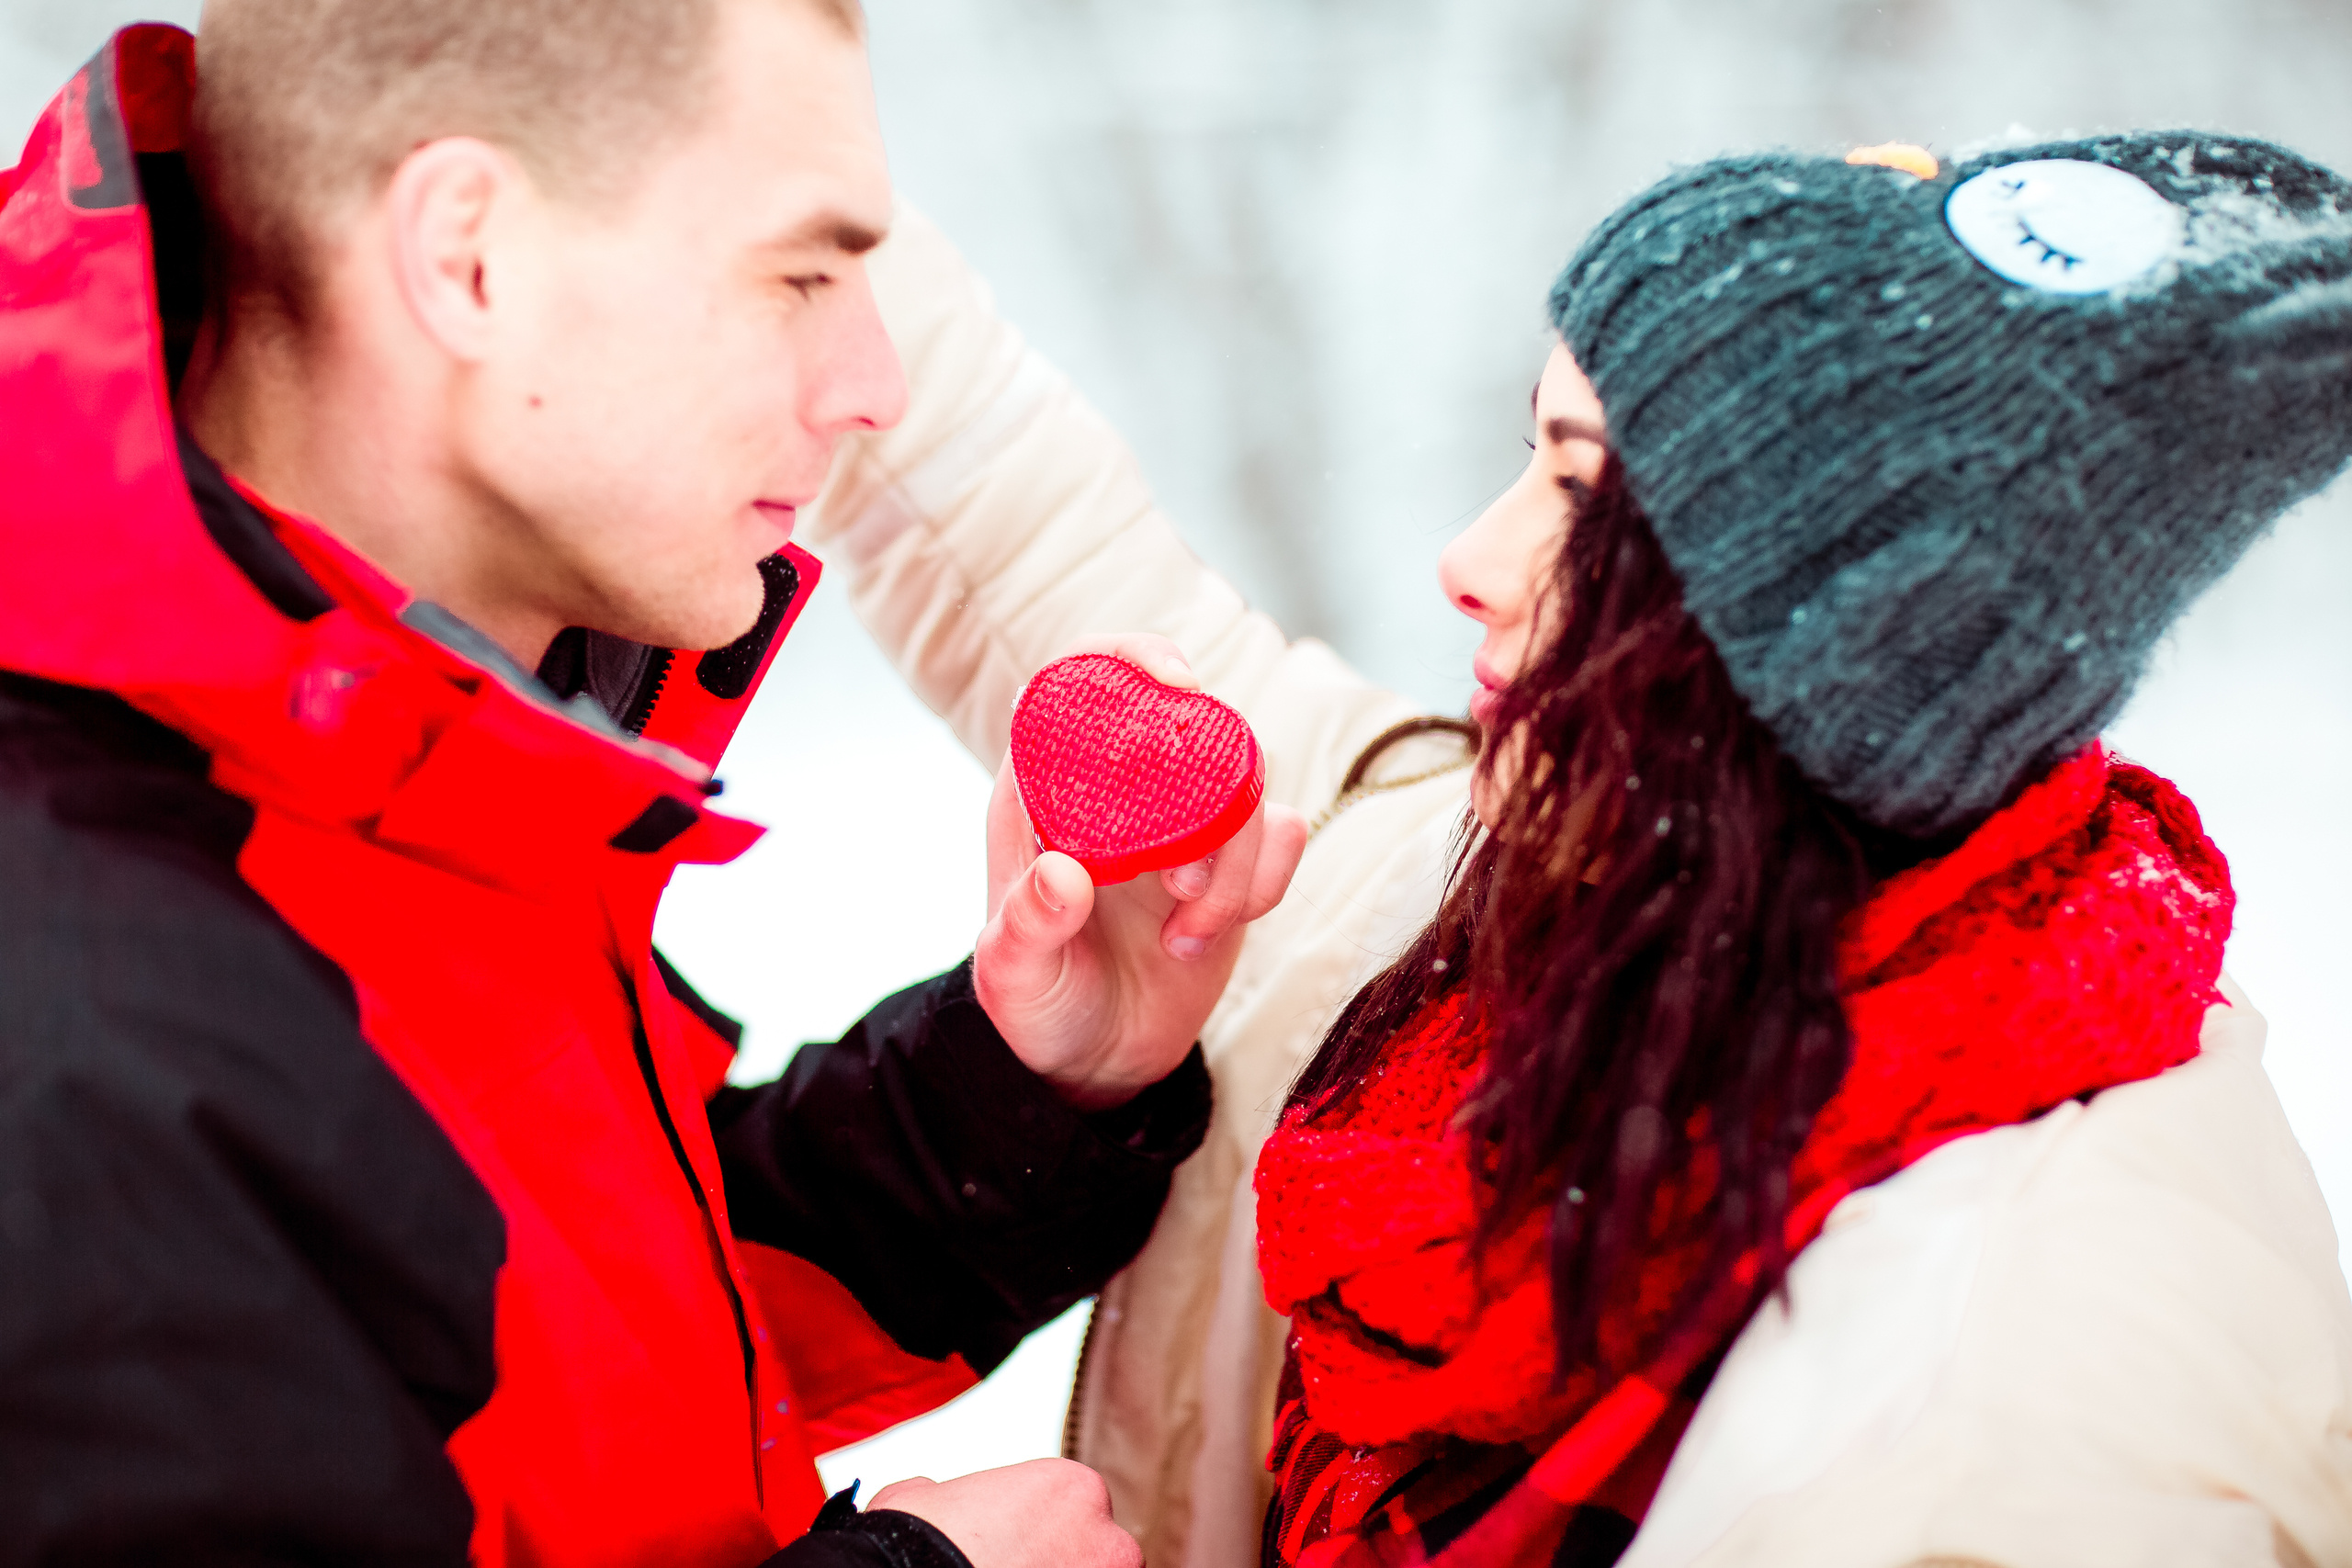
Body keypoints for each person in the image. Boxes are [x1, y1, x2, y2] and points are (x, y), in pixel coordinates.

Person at [802, 138, 2352, 1565]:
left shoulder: (2073, 1394)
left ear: (1835, 640)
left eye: (1579, 490)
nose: (1466, 564)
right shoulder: (1481, 881)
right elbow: (1012, 522)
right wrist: (761, 179)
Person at [0, 4, 1309, 1565]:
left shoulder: (379, 758)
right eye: (802, 274)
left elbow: (548, 1336)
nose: (873, 380)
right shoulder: (72, 1051)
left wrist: (1012, 1097)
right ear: (469, 259)